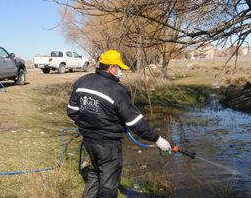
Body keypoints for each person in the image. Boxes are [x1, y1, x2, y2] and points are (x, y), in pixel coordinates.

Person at [67, 49, 172, 198]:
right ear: (111, 68)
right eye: (119, 68)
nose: (121, 72)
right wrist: (157, 139)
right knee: (109, 186)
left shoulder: (83, 81)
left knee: (97, 172)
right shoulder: (117, 90)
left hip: (88, 141)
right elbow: (136, 123)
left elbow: (72, 111)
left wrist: (88, 125)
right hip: (108, 145)